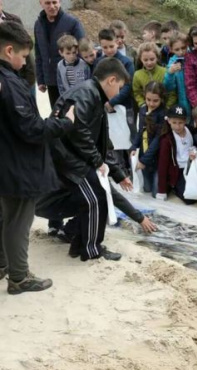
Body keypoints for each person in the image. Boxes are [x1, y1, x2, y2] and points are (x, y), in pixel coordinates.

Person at [0, 21, 75, 294]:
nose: (24, 64)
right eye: (23, 56)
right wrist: (64, 123)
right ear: (9, 51)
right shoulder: (9, 81)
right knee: (19, 219)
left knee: (1, 212)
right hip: (15, 162)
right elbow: (32, 129)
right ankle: (19, 277)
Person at [48, 57, 131, 261]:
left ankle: (79, 244)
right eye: (119, 87)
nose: (118, 93)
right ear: (111, 80)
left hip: (73, 157)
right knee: (96, 198)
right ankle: (91, 250)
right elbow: (79, 131)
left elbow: (101, 141)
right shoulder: (87, 93)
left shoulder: (92, 94)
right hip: (68, 159)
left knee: (94, 198)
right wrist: (97, 161)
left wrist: (115, 170)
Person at [34, 0, 86, 108]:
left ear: (60, 2)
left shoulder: (72, 23)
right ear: (41, 3)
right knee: (57, 114)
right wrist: (41, 79)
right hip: (51, 81)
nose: (52, 6)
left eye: (54, 2)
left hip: (70, 80)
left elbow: (82, 49)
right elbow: (39, 53)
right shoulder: (38, 25)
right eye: (47, 3)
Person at [131, 81, 167, 195]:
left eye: (155, 100)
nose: (151, 103)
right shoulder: (142, 110)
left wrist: (143, 160)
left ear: (161, 99)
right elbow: (140, 131)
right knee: (146, 188)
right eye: (148, 100)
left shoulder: (163, 114)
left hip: (156, 157)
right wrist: (134, 146)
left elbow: (157, 140)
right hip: (144, 153)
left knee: (156, 192)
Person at [97, 28, 135, 113]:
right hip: (103, 105)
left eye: (111, 46)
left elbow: (128, 86)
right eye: (105, 47)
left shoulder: (127, 62)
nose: (109, 50)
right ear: (100, 46)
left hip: (124, 105)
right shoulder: (98, 63)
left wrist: (112, 102)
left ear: (117, 43)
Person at [132, 42, 175, 108]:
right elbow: (136, 92)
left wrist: (167, 107)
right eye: (145, 60)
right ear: (140, 59)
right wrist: (142, 104)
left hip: (164, 109)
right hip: (147, 109)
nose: (149, 63)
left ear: (157, 57)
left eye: (152, 59)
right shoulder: (137, 75)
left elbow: (172, 92)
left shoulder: (165, 72)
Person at [163, 32, 190, 117]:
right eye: (177, 49)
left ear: (187, 45)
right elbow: (168, 87)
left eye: (183, 48)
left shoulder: (193, 57)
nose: (181, 52)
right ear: (171, 49)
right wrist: (170, 73)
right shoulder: (172, 62)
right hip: (182, 101)